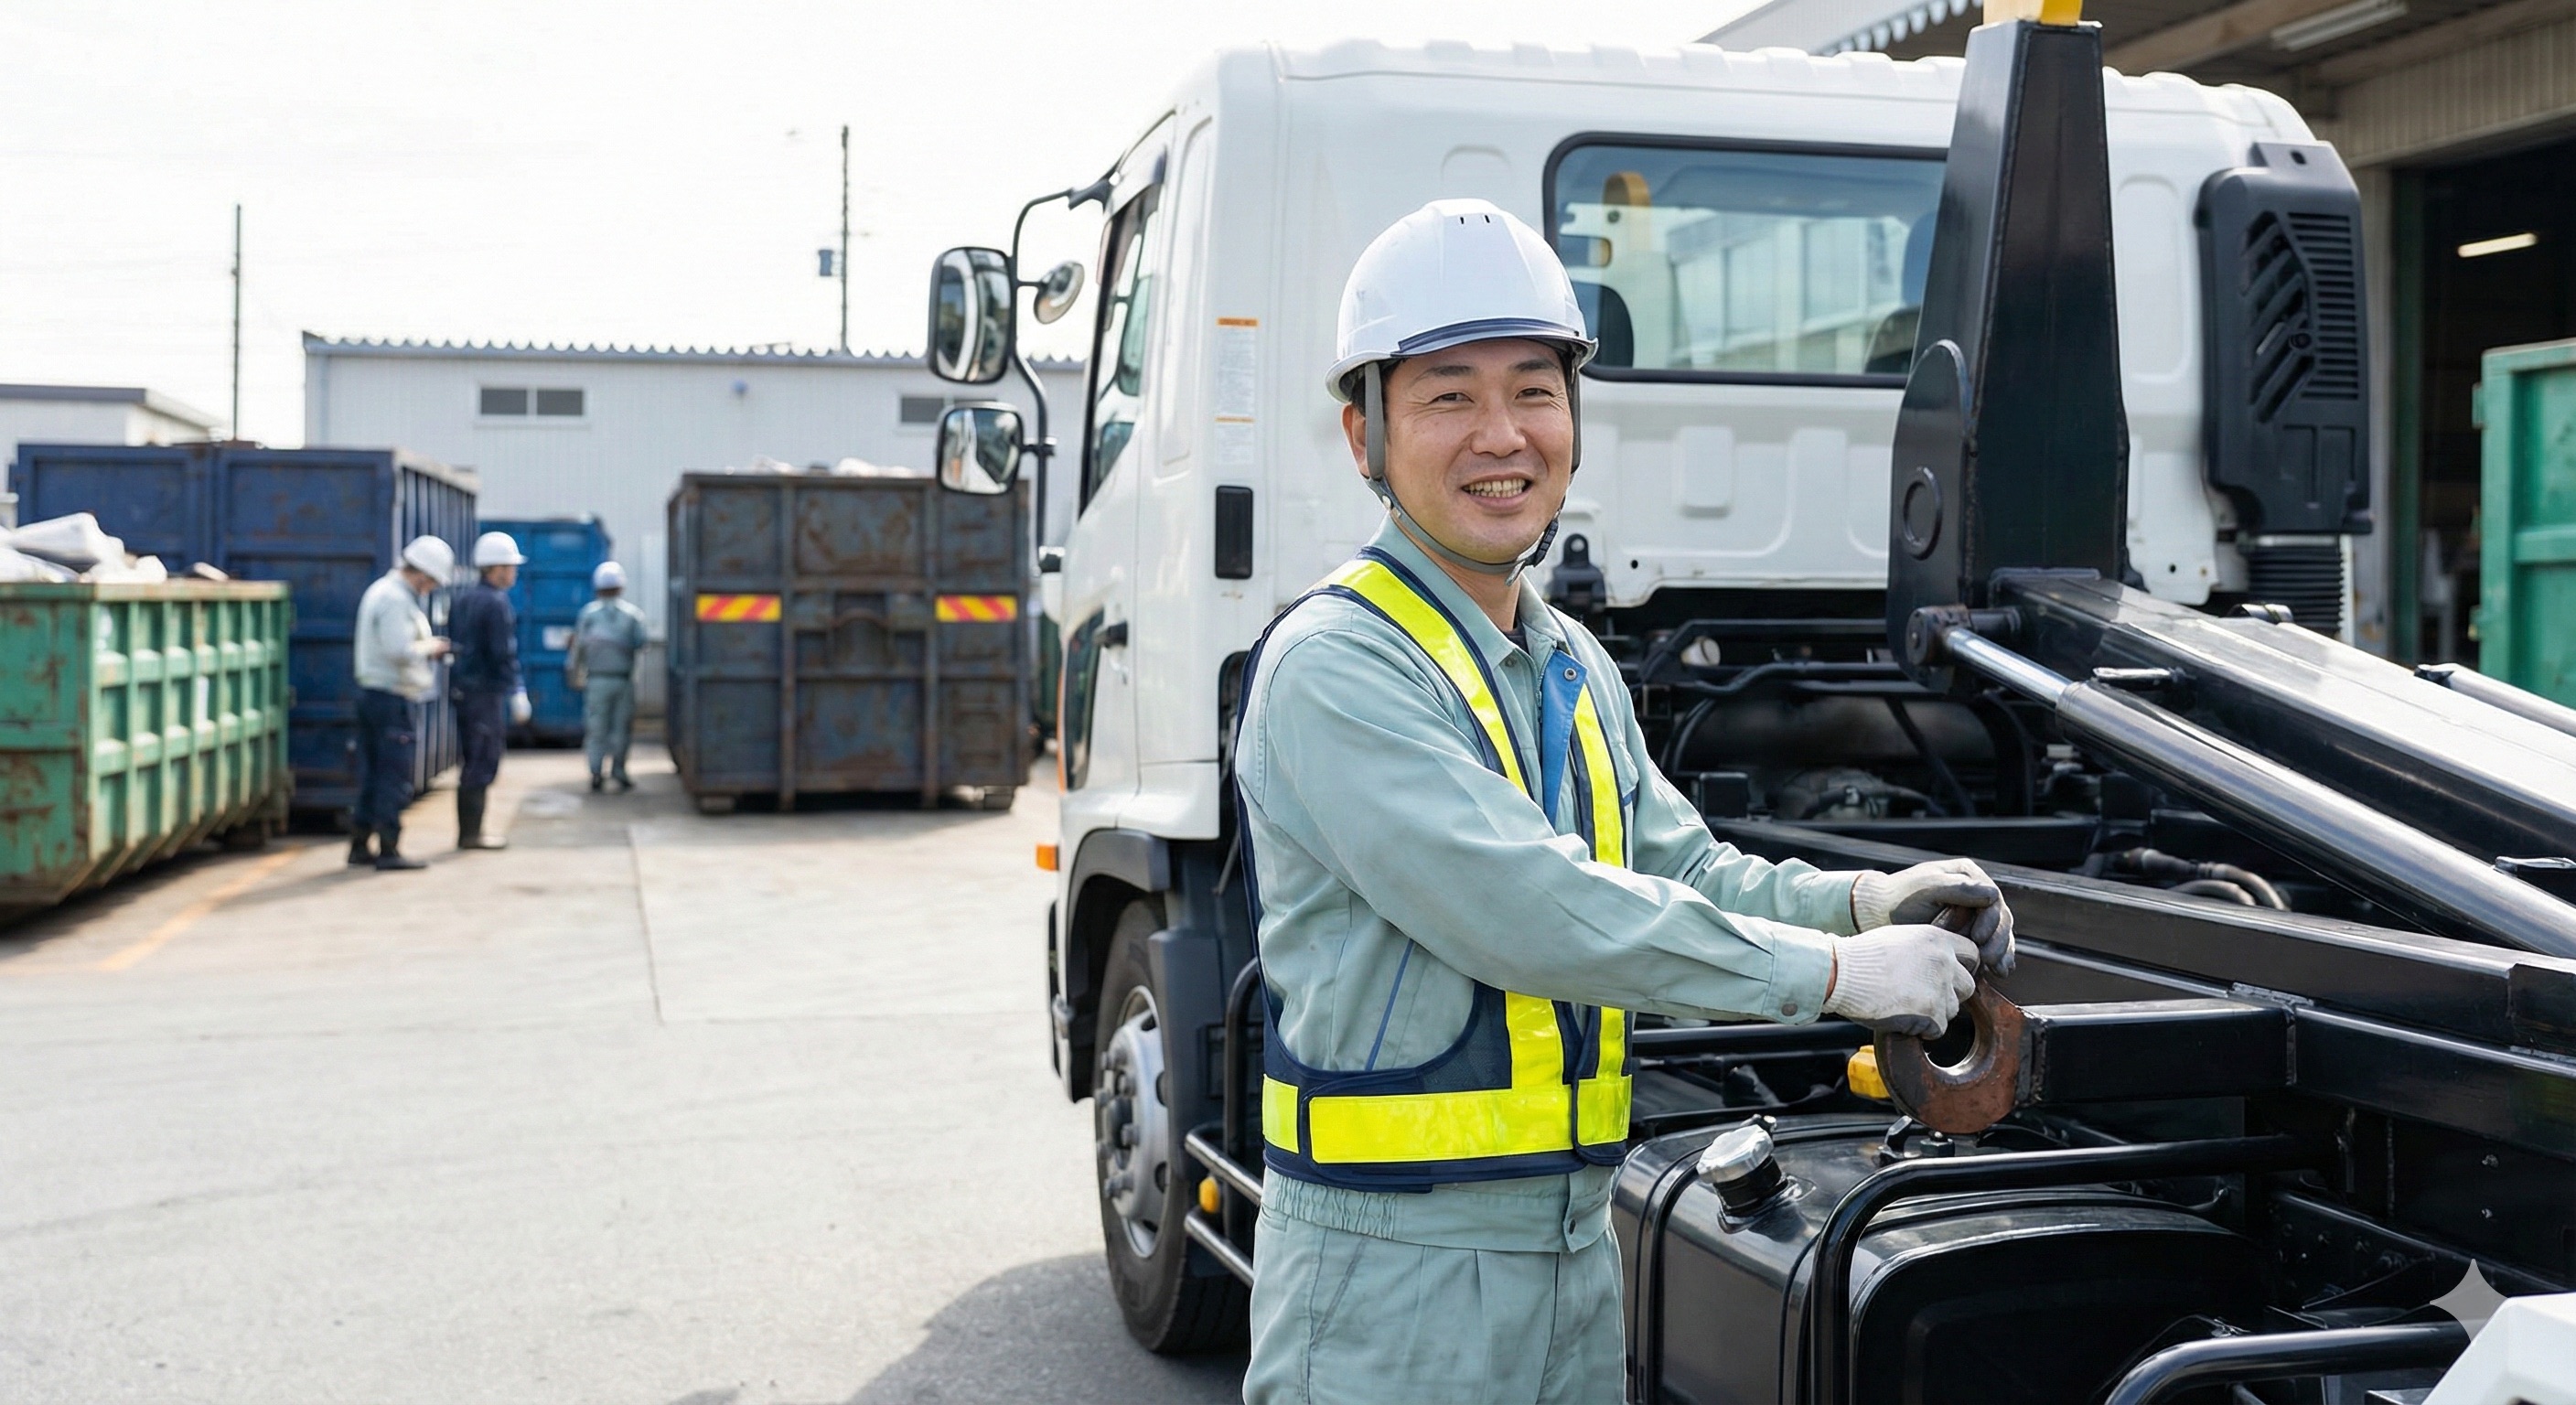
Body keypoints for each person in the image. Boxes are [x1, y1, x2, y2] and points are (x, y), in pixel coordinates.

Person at [1233, 198, 2017, 1405]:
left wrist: (1867, 900)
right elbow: (1531, 911)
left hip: (1573, 1259)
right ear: (1363, 435)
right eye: (1449, 396)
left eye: (1534, 391)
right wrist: (1833, 976)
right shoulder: (1337, 667)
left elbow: (1686, 875)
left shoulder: (1571, 664)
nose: (1503, 434)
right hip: (1389, 1288)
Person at [349, 534, 456, 872]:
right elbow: (399, 649)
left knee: (374, 772)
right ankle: (389, 850)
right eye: (433, 582)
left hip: (374, 695)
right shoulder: (395, 599)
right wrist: (433, 648)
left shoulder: (384, 591)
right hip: (390, 697)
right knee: (393, 775)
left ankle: (359, 845)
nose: (431, 588)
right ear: (423, 574)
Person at [449, 531, 533, 850]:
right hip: (485, 693)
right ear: (495, 568)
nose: (513, 572)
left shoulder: (464, 599)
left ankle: (470, 832)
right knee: (483, 760)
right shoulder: (496, 603)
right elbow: (502, 653)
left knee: (473, 758)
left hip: (464, 691)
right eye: (510, 566)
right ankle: (471, 834)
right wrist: (517, 689)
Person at [567, 560, 649, 793]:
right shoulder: (632, 615)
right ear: (621, 587)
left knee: (596, 728)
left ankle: (595, 772)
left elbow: (578, 649)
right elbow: (641, 644)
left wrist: (575, 675)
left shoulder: (589, 615)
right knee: (621, 728)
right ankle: (619, 772)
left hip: (597, 680)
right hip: (623, 680)